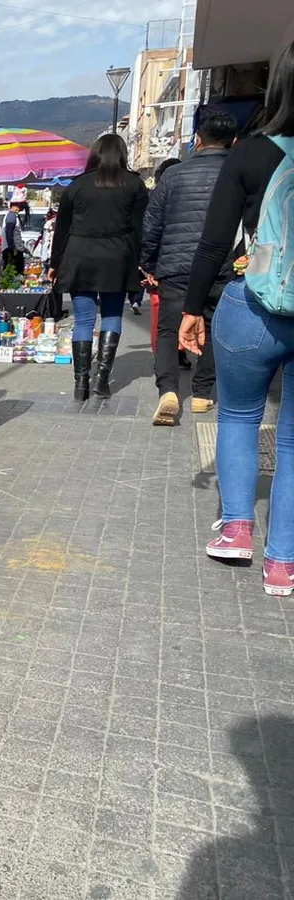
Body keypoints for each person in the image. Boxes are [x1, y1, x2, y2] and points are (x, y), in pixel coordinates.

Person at [180, 40, 294, 596]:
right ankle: (284, 563)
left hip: (252, 306)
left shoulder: (249, 154)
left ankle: (237, 532)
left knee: (242, 416)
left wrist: (191, 309)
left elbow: (212, 245)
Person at [140, 109, 240, 426]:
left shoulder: (173, 175)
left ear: (197, 140)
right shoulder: (240, 175)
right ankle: (201, 393)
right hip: (222, 267)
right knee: (212, 328)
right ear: (234, 141)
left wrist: (149, 262)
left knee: (169, 330)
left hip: (176, 266)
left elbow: (152, 225)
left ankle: (168, 391)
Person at [50, 133, 150, 401]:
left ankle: (80, 383)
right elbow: (142, 229)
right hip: (117, 257)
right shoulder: (134, 185)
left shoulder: (76, 186)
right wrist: (144, 262)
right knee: (112, 315)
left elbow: (62, 229)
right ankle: (103, 379)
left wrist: (54, 263)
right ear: (122, 154)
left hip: (79, 255)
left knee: (83, 320)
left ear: (94, 154)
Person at [1, 201, 27, 274]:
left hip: (15, 248)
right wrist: (12, 249)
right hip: (12, 250)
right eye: (20, 207)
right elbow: (9, 234)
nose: (21, 210)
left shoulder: (12, 216)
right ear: (16, 206)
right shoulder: (11, 217)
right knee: (14, 272)